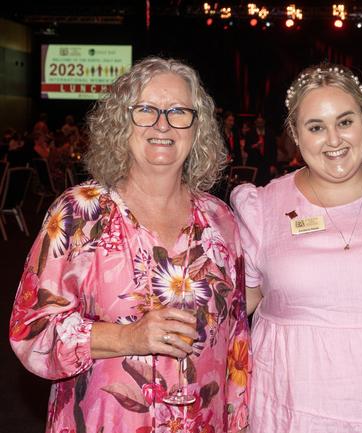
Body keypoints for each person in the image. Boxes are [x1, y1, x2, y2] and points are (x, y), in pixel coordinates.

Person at [9, 56, 250, 433]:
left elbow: (236, 340)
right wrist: (127, 337)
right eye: (146, 110)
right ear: (122, 122)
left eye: (178, 112)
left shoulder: (221, 221)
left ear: (196, 127)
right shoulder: (81, 214)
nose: (162, 124)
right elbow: (31, 331)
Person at [231, 63, 362, 432]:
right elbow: (233, 310)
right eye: (316, 127)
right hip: (293, 414)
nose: (334, 140)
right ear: (296, 136)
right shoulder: (262, 208)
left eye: (345, 122)